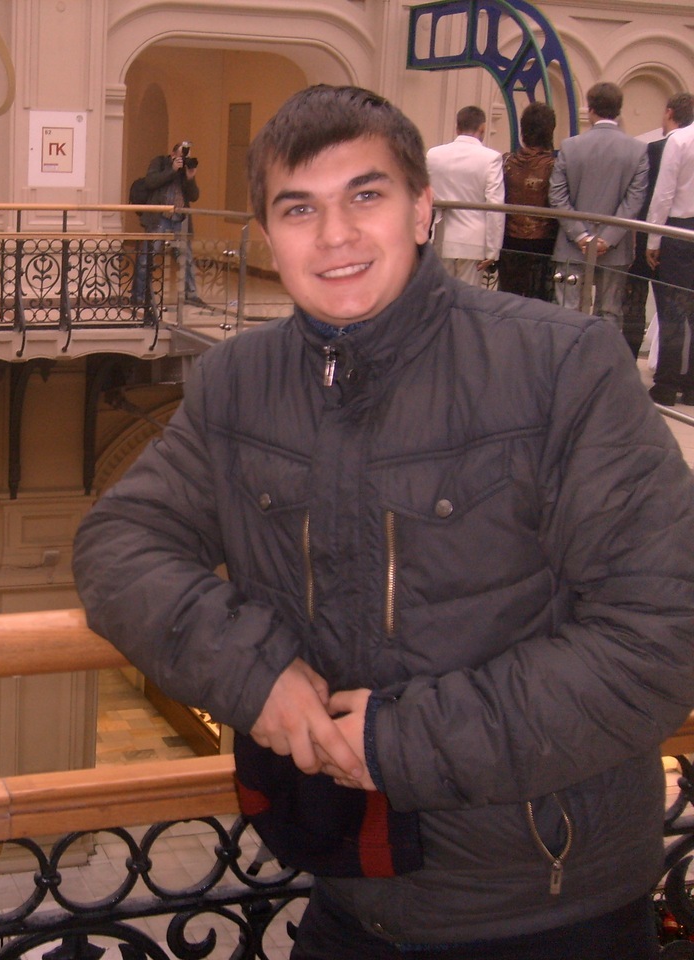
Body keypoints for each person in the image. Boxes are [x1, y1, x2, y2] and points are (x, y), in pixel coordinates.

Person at [73, 84, 694, 958]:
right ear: (268, 236)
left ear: (422, 209)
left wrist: (401, 741)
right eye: (300, 209)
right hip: (350, 897)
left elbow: (662, 636)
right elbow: (118, 545)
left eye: (365, 195)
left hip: (549, 907)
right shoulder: (237, 385)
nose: (335, 236)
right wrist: (254, 674)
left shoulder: (560, 368)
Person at [549, 81, 649, 334]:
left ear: (590, 109)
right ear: (619, 110)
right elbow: (634, 200)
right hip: (615, 248)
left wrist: (581, 235)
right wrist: (607, 238)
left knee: (567, 312)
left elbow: (557, 196)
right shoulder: (637, 150)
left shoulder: (570, 146)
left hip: (571, 244)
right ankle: (602, 358)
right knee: (609, 313)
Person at [623, 95, 693, 361]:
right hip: (684, 228)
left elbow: (661, 195)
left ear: (669, 112)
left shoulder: (669, 144)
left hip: (666, 230)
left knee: (664, 306)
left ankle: (663, 373)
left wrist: (652, 240)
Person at [645, 94, 694, 405]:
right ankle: (692, 388)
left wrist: (653, 239)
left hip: (678, 231)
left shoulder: (680, 140)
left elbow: (664, 194)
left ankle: (666, 384)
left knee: (673, 310)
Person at [425, 105, 504, 286]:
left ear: (457, 127)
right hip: (473, 241)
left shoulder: (434, 155)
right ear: (483, 128)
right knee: (467, 296)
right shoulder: (491, 158)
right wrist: (493, 250)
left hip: (441, 236)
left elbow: (425, 195)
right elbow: (495, 207)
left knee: (442, 292)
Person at [131, 142, 206, 308]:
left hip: (180, 220)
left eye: (186, 156)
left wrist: (190, 177)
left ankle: (190, 294)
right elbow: (151, 182)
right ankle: (138, 295)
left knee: (186, 258)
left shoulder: (185, 170)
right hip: (159, 218)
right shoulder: (160, 162)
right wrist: (172, 170)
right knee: (147, 257)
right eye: (181, 155)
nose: (183, 159)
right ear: (172, 154)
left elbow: (194, 196)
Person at [498, 101, 559, 301]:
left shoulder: (506, 162)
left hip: (509, 241)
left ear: (523, 130)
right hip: (543, 244)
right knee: (537, 302)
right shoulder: (555, 166)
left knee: (508, 301)